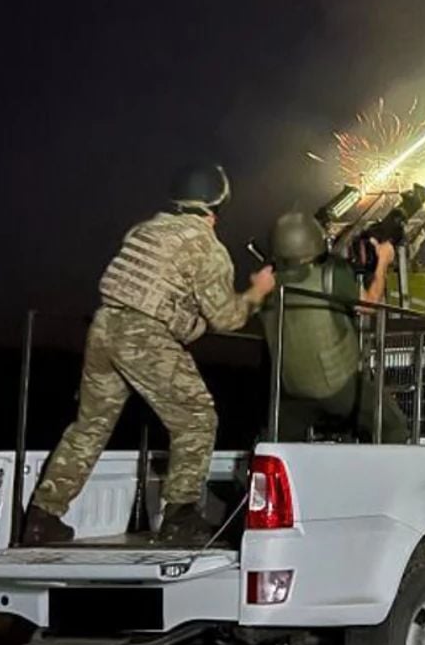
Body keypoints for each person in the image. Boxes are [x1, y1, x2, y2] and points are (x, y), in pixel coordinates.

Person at [24, 164, 276, 545]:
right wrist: (257, 292)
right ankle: (180, 517)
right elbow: (226, 318)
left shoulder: (144, 230)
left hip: (104, 327)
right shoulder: (208, 247)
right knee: (196, 417)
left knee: (90, 426)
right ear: (216, 206)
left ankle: (42, 517)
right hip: (144, 335)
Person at [259, 211, 409, 443]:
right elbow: (368, 305)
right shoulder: (331, 274)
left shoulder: (267, 283)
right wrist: (382, 263)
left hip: (291, 387)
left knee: (276, 443)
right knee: (392, 425)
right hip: (336, 384)